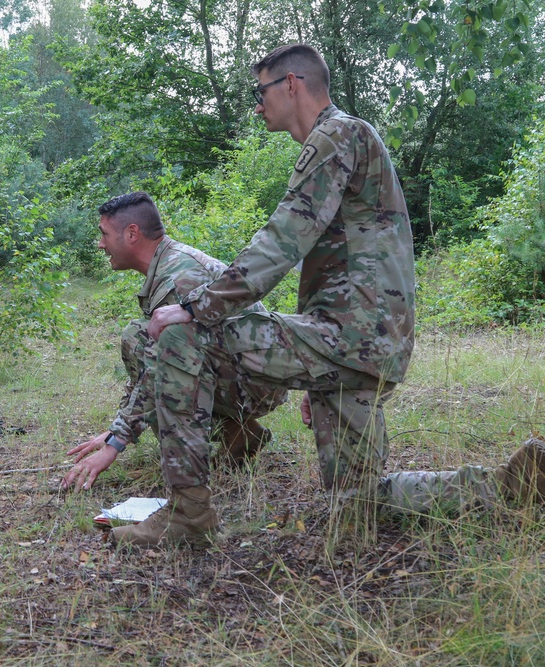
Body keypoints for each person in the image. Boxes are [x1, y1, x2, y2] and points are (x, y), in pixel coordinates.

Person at [138, 43, 545, 545]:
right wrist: (315, 373)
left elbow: (282, 241)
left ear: (291, 85)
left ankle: (188, 520)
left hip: (354, 336)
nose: (256, 104)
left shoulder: (337, 135)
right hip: (363, 342)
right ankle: (507, 487)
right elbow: (332, 267)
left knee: (184, 335)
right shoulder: (348, 140)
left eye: (259, 91)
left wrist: (196, 305)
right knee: (357, 506)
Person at [62, 193, 289, 520]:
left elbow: (159, 368)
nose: (100, 244)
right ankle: (237, 432)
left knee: (145, 346)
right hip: (243, 375)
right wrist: (116, 428)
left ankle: (200, 467)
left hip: (255, 385)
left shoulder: (178, 276)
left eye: (104, 234)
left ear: (131, 234)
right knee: (137, 336)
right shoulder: (168, 263)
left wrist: (115, 443)